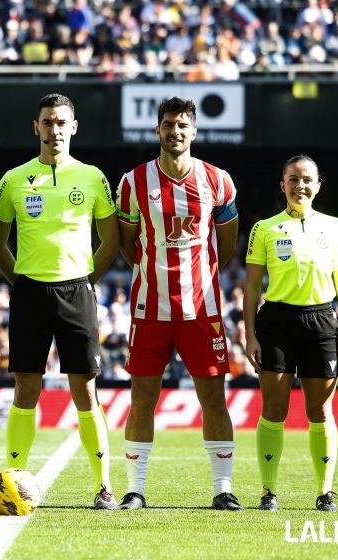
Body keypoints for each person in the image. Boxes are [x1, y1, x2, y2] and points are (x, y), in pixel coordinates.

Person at [0, 93, 121, 509]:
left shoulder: (93, 177)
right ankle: (14, 479)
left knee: (86, 389)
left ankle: (103, 485)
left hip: (76, 292)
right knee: (26, 387)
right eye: (48, 122)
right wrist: (19, 281)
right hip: (29, 294)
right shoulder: (13, 178)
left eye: (62, 122)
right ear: (36, 127)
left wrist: (85, 281)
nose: (55, 129)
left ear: (73, 127)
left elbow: (111, 240)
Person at [116, 97, 242, 511]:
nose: (176, 131)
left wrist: (197, 274)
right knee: (142, 399)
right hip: (148, 309)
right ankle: (136, 490)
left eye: (183, 125)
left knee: (214, 399)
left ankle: (222, 489)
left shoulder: (217, 180)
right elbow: (127, 244)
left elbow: (226, 244)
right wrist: (155, 273)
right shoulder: (133, 182)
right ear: (157, 130)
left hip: (201, 309)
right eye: (169, 124)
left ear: (194, 131)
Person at [244, 155, 338, 512]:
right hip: (276, 324)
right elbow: (250, 288)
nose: (300, 186)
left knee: (319, 410)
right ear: (282, 185)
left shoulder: (334, 227)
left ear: (318, 185)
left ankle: (324, 491)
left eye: (307, 179)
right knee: (273, 408)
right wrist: (249, 335)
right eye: (293, 179)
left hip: (322, 322)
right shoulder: (264, 228)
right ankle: (268, 490)